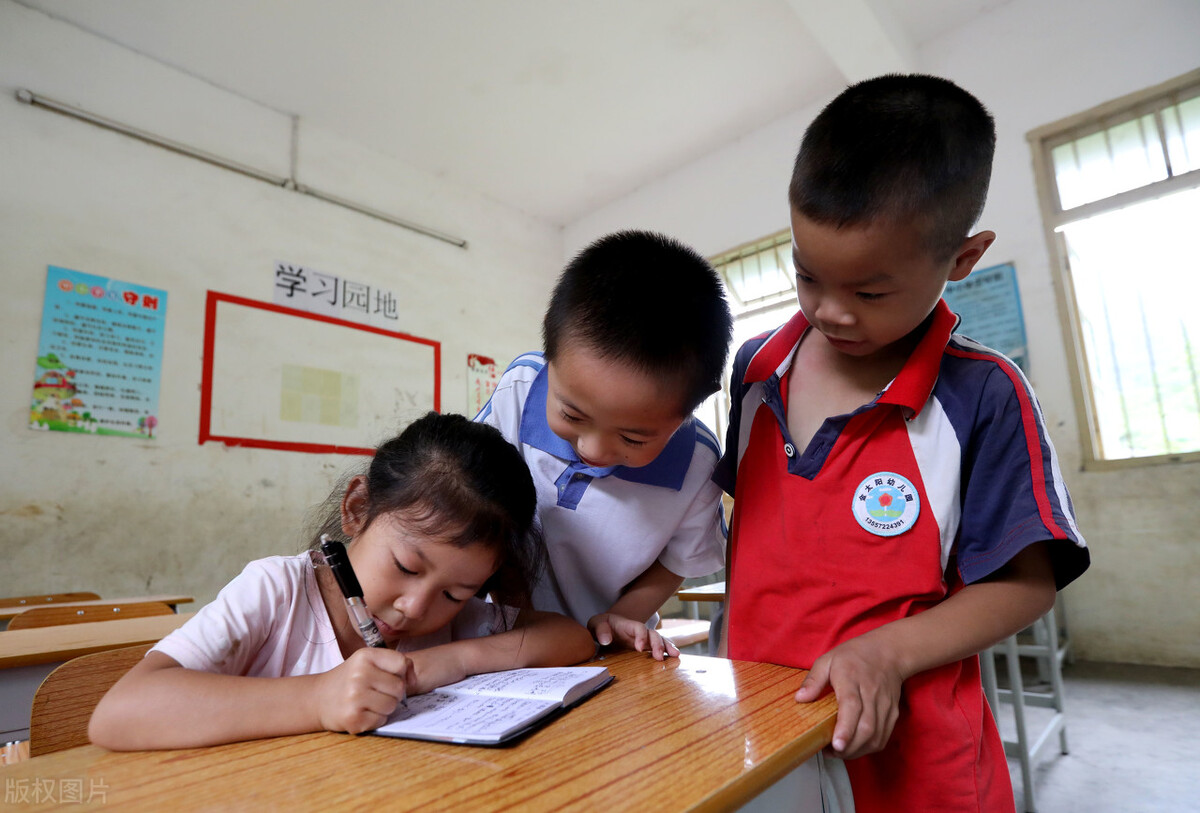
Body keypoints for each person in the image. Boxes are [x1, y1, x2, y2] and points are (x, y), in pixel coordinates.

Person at [714, 74, 1090, 812]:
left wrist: (885, 652)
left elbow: (1026, 583)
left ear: (962, 259)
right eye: (807, 275)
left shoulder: (983, 393)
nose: (829, 311)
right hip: (766, 746)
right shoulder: (756, 372)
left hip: (918, 769)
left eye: (870, 292)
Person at [89, 412, 595, 750]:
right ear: (356, 509)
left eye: (454, 592)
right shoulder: (278, 591)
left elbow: (571, 638)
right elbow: (120, 713)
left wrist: (451, 660)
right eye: (406, 567)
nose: (416, 608)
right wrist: (317, 700)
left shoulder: (454, 626)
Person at [477, 230, 732, 659]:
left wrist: (622, 617)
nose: (593, 450)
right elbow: (474, 494)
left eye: (632, 437)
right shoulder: (520, 391)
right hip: (499, 639)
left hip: (612, 653)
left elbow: (678, 561)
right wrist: (516, 612)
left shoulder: (698, 464)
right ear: (550, 354)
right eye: (572, 415)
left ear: (690, 408)